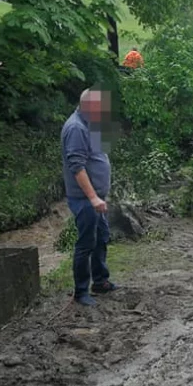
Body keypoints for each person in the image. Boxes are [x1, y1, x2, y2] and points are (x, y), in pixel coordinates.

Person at [61, 89, 119, 307]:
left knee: (101, 237)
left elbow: (96, 156)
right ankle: (81, 291)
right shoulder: (76, 128)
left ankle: (100, 280)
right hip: (85, 199)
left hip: (96, 197)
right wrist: (94, 198)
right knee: (86, 243)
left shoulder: (90, 123)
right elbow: (77, 167)